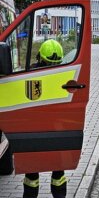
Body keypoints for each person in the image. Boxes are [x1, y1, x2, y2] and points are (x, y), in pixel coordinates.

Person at [24, 39, 67, 198]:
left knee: (32, 175)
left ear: (40, 56)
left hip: (33, 131)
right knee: (58, 173)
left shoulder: (29, 74)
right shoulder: (64, 75)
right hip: (57, 131)